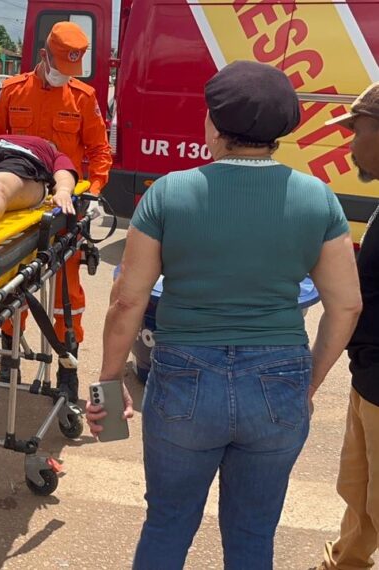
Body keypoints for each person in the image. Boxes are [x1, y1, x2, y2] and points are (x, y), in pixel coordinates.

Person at [90, 61, 362, 569]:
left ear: (213, 122)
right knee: (253, 532)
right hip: (279, 379)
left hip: (185, 378)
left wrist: (108, 385)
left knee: (168, 522)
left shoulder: (169, 193)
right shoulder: (317, 198)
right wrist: (308, 383)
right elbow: (346, 305)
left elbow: (127, 301)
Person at [0, 21, 112, 399]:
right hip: (19, 203)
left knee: (67, 294)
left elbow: (99, 152)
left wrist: (96, 192)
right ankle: (9, 352)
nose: (63, 78)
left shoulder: (83, 98)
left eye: (71, 71)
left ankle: (67, 364)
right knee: (11, 282)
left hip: (63, 205)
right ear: (44, 56)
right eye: (59, 68)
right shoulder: (12, 91)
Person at [317, 81, 379, 570]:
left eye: (356, 130)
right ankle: (345, 563)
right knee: (357, 492)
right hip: (367, 379)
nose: (350, 142)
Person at [0, 134, 78, 223]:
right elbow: (63, 170)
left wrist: (63, 191)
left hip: (15, 156)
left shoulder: (53, 153)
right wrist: (63, 191)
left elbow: (64, 171)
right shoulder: (50, 150)